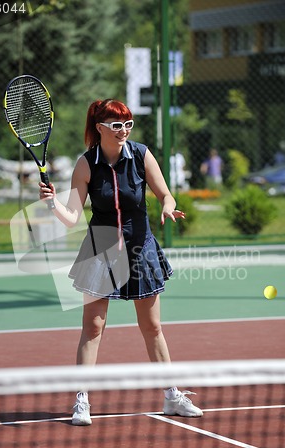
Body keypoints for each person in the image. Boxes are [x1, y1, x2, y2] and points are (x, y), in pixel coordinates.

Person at [39, 99, 203, 425]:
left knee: (152, 326)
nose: (123, 130)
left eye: (128, 124)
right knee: (94, 327)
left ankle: (172, 395)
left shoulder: (141, 155)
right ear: (100, 128)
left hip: (140, 245)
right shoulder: (86, 164)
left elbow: (165, 194)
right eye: (116, 125)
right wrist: (52, 203)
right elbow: (72, 217)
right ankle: (81, 400)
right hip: (101, 247)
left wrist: (168, 206)